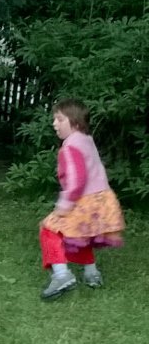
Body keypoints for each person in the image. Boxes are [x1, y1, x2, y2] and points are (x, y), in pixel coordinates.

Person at [39, 99, 125, 300]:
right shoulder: (87, 140)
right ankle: (91, 273)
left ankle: (61, 276)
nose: (54, 124)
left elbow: (77, 181)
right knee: (81, 235)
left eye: (59, 119)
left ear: (75, 122)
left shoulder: (69, 148)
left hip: (83, 200)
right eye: (54, 119)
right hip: (102, 200)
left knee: (49, 230)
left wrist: (63, 206)